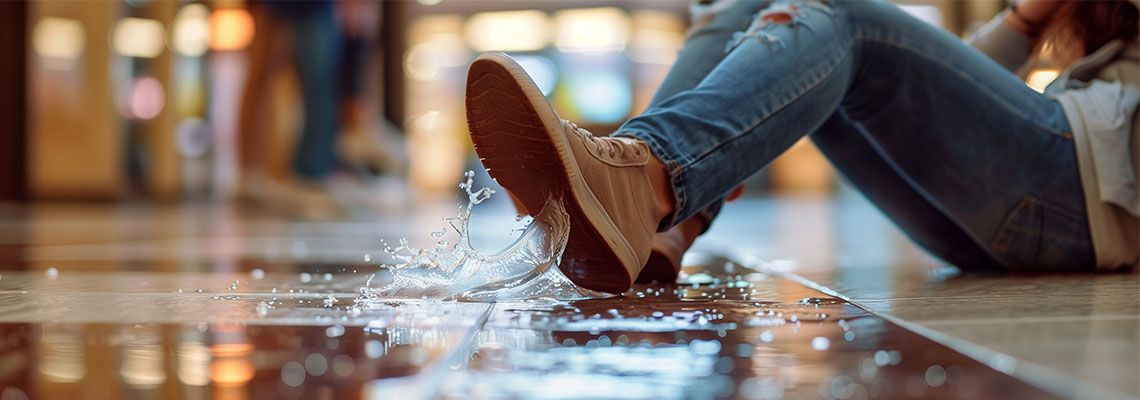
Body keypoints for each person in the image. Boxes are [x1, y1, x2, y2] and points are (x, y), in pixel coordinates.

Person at [464, 0, 1140, 294]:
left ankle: (645, 184)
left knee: (842, 18)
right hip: (1038, 208)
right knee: (757, 12)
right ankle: (663, 224)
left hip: (1087, 193)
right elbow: (948, 99)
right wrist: (1029, 15)